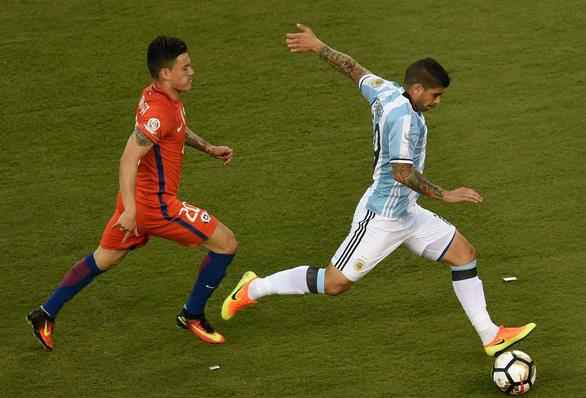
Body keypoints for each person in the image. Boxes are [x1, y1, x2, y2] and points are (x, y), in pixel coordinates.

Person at [222, 24, 535, 356]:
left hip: (407, 212)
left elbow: (353, 68)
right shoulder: (404, 120)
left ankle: (490, 335)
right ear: (416, 89)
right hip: (382, 216)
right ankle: (253, 288)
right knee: (334, 283)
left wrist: (319, 46)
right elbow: (401, 173)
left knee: (464, 255)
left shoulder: (387, 90)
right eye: (435, 95)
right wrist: (446, 195)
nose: (437, 102)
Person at [27, 35, 237, 350]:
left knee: (105, 258)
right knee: (226, 243)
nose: (192, 71)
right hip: (155, 206)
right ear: (166, 73)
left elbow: (174, 130)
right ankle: (192, 315)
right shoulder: (159, 110)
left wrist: (207, 147)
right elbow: (128, 158)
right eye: (185, 66)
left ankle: (45, 312)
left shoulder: (159, 98)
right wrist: (130, 210)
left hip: (138, 199)